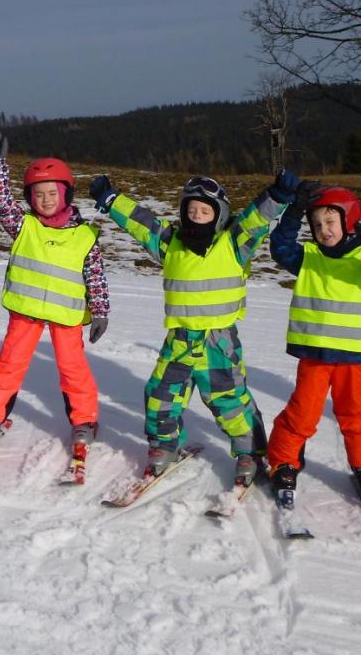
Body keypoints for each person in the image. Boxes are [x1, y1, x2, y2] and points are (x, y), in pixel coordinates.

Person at [88, 171, 284, 486]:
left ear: (218, 215)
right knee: (160, 396)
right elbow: (142, 223)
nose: (197, 216)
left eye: (205, 211)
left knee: (229, 400)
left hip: (218, 342)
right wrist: (111, 201)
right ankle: (165, 446)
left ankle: (251, 453)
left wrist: (278, 195)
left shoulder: (234, 243)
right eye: (191, 210)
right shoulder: (170, 244)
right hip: (180, 339)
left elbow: (254, 220)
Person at [0, 130, 110, 465]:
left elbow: (95, 277)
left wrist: (100, 310)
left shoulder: (84, 237)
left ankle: (84, 420)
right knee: (9, 364)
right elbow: (0, 202)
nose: (46, 200)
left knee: (73, 369)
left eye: (52, 192)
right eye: (38, 194)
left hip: (66, 316)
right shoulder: (23, 225)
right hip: (26, 312)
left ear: (66, 194)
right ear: (30, 198)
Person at [264, 174, 361, 497]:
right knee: (303, 411)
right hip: (316, 356)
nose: (323, 230)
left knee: (356, 414)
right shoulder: (309, 258)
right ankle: (284, 461)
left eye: (330, 221)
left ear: (349, 219)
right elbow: (280, 248)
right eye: (317, 224)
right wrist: (295, 210)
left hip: (356, 358)